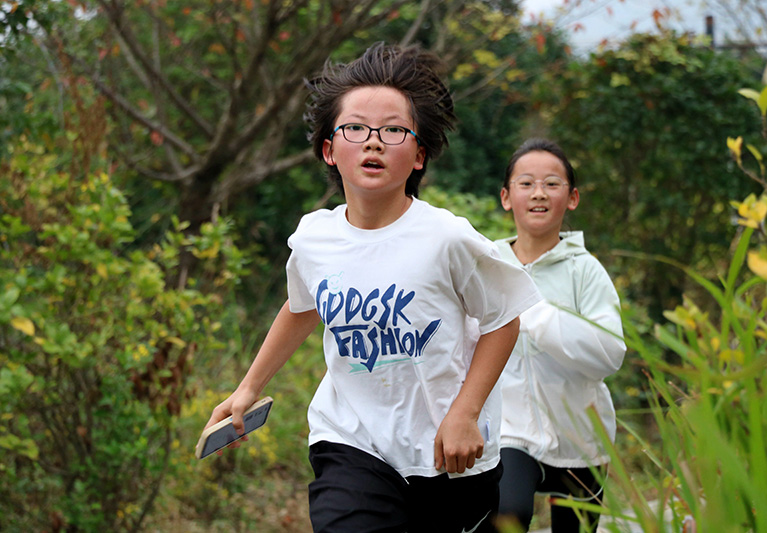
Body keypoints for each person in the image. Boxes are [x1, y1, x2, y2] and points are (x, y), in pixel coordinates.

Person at [202, 42, 542, 533]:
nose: (374, 141)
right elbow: (301, 307)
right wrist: (247, 388)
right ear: (329, 149)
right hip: (351, 440)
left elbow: (503, 318)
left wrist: (464, 414)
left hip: (446, 453)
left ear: (420, 155)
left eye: (394, 130)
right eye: (356, 128)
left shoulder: (447, 238)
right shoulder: (315, 238)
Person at [492, 139, 626, 532]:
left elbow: (609, 351)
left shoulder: (586, 271)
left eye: (552, 184)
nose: (538, 193)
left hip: (581, 438)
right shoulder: (488, 266)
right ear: (506, 197)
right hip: (509, 431)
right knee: (507, 514)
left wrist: (532, 310)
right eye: (526, 183)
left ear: (572, 198)